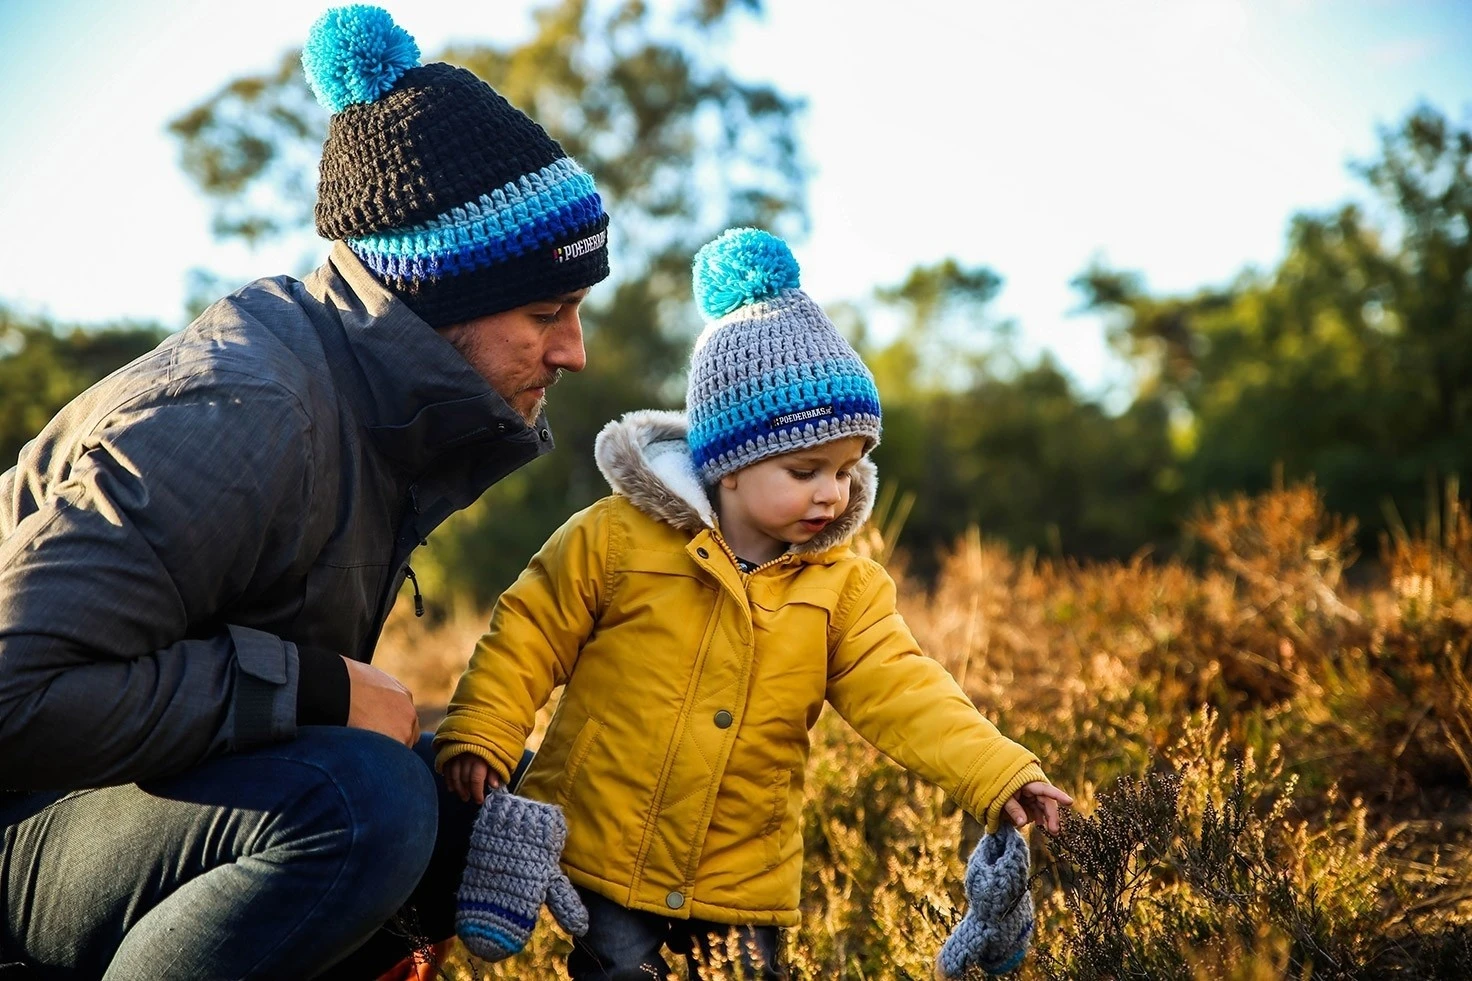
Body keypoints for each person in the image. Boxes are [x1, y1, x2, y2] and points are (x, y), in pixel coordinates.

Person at [0, 6, 610, 978]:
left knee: (477, 791)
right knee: (365, 800)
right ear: (431, 299)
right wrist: (315, 691)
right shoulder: (242, 417)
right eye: (547, 312)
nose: (572, 351)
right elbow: (13, 695)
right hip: (18, 826)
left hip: (112, 805)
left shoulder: (363, 408)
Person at [434, 228, 1073, 980]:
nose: (833, 492)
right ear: (729, 464)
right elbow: (529, 634)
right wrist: (484, 731)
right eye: (806, 469)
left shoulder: (843, 587)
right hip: (608, 843)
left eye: (847, 467)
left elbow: (909, 692)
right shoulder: (616, 539)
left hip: (743, 872)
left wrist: (1000, 771)